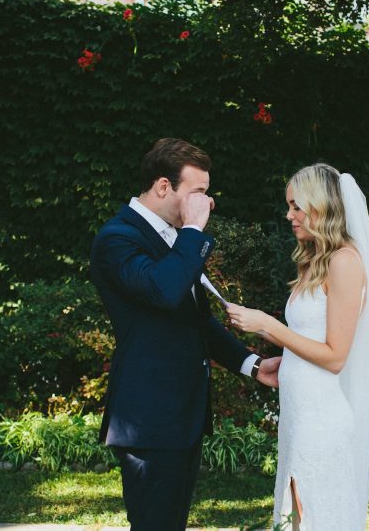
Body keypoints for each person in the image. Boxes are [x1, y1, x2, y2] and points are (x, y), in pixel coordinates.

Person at [89, 138, 282, 531]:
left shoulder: (174, 239)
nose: (206, 204)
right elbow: (164, 290)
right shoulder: (118, 237)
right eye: (198, 193)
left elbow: (194, 320)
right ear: (164, 186)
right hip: (150, 418)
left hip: (180, 418)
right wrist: (193, 229)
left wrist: (252, 363)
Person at [227, 164, 369, 530]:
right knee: (296, 519)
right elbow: (308, 339)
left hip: (321, 420)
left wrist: (271, 326)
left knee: (313, 519)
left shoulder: (344, 262)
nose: (288, 214)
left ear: (320, 206)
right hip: (298, 413)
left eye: (296, 206)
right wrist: (284, 353)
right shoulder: (314, 261)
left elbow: (335, 356)